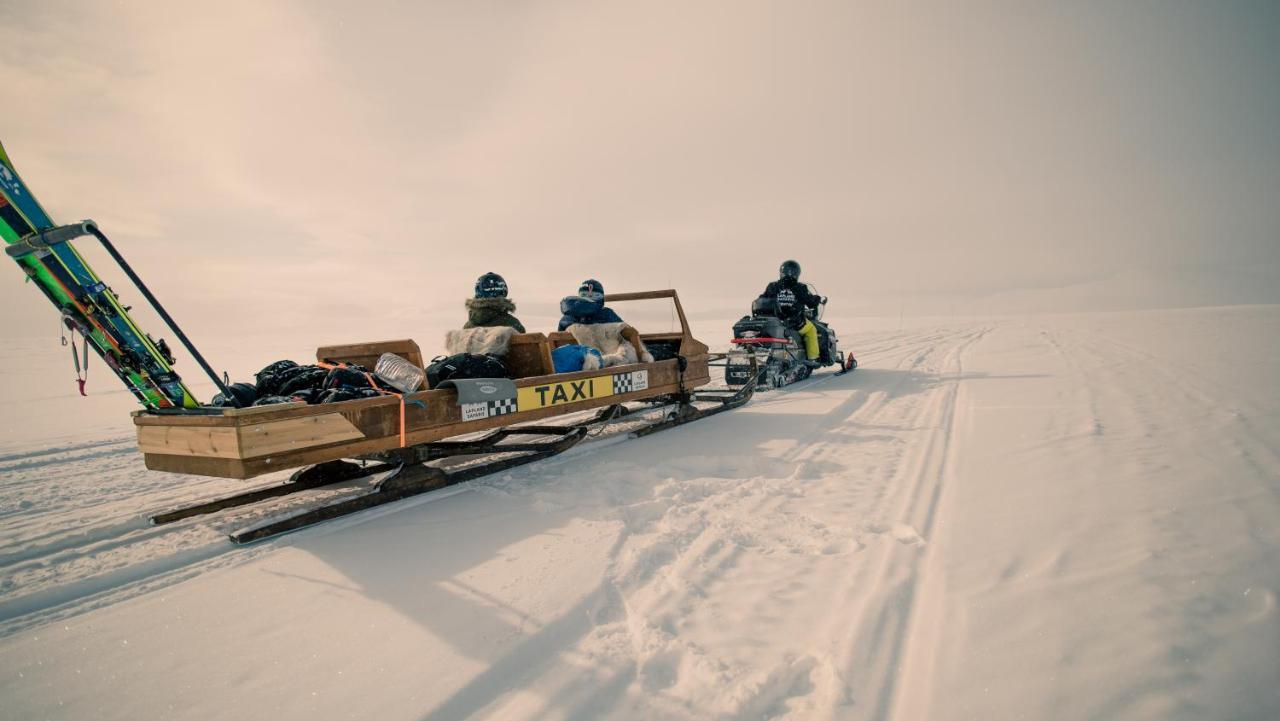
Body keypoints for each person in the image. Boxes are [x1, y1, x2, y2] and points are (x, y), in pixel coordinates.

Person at [557, 279, 653, 367]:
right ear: (601, 298)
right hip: (606, 364)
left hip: (577, 364)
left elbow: (560, 346)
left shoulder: (565, 319)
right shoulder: (607, 314)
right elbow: (627, 334)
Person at [761, 260, 821, 364]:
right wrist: (817, 299)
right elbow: (810, 302)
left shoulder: (772, 286)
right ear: (797, 273)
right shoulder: (800, 287)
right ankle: (813, 358)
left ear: (781, 272)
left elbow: (762, 300)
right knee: (811, 329)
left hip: (775, 322)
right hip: (794, 323)